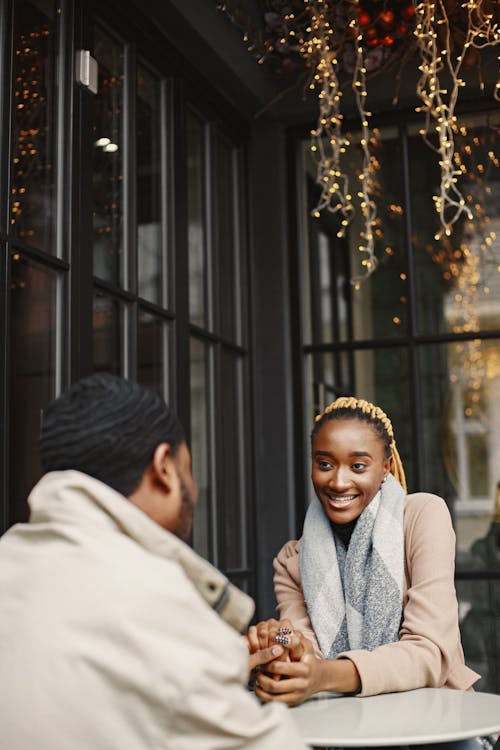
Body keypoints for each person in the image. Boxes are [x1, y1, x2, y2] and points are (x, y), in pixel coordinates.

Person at [0, 374, 307, 750]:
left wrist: (214, 665)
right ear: (164, 467)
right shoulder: (156, 600)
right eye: (188, 468)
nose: (193, 489)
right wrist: (204, 662)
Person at [248, 396, 481, 707]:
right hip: (343, 725)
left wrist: (323, 675)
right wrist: (279, 645)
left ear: (385, 467)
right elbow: (308, 655)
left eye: (357, 466)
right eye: (325, 464)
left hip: (437, 717)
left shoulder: (422, 516)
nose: (339, 481)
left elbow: (430, 651)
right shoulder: (292, 560)